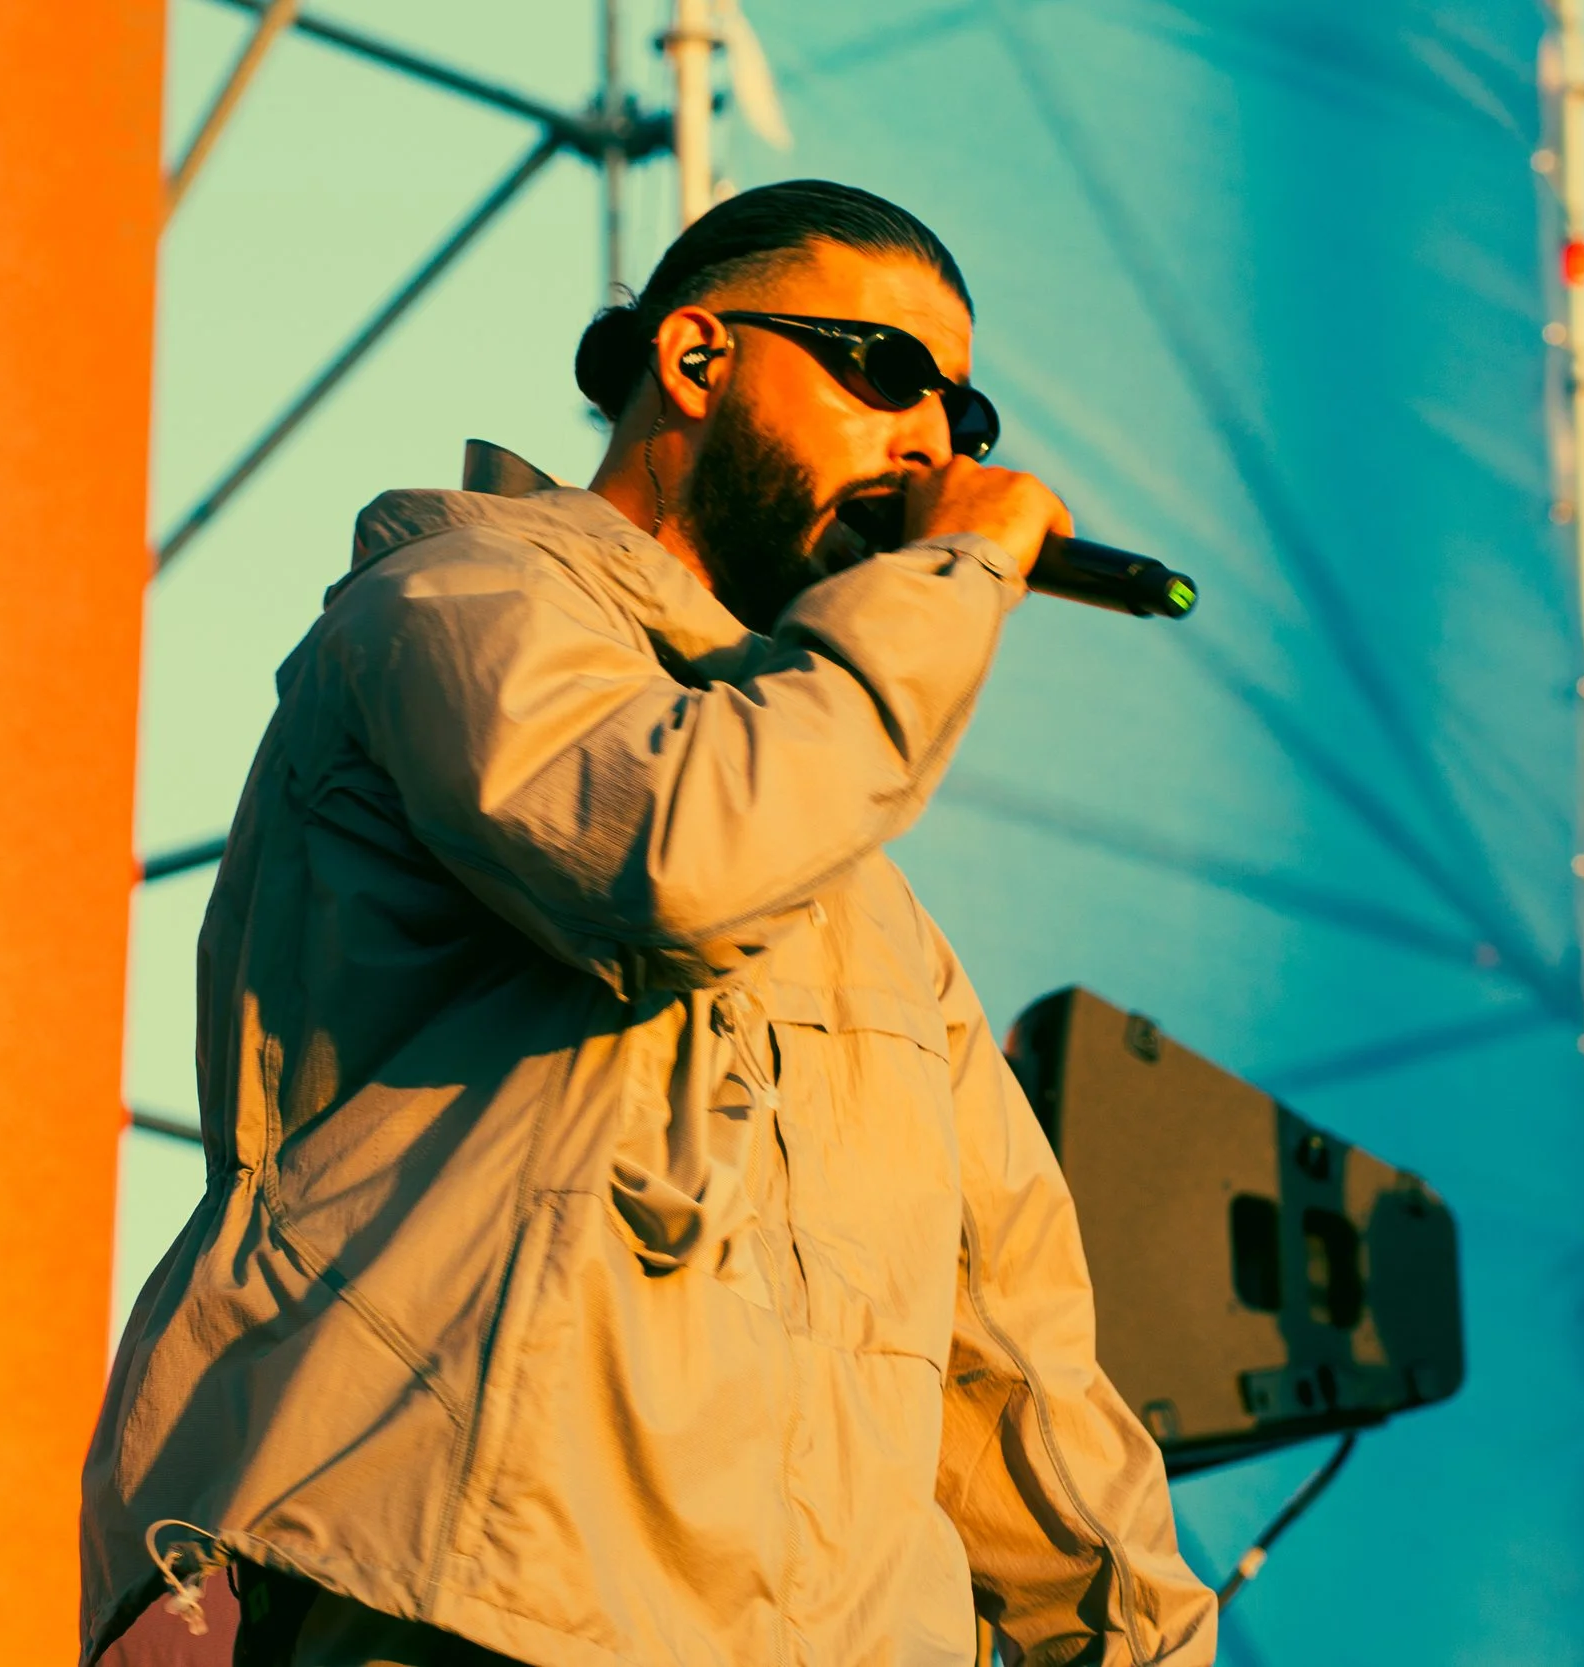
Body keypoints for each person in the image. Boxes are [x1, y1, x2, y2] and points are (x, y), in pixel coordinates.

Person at [82, 180, 1216, 1667]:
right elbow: (667, 860)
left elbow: (1019, 1374)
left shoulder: (875, 922)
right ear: (695, 360)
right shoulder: (459, 606)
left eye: (969, 417)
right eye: (884, 373)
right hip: (437, 1602)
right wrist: (959, 570)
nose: (933, 442)